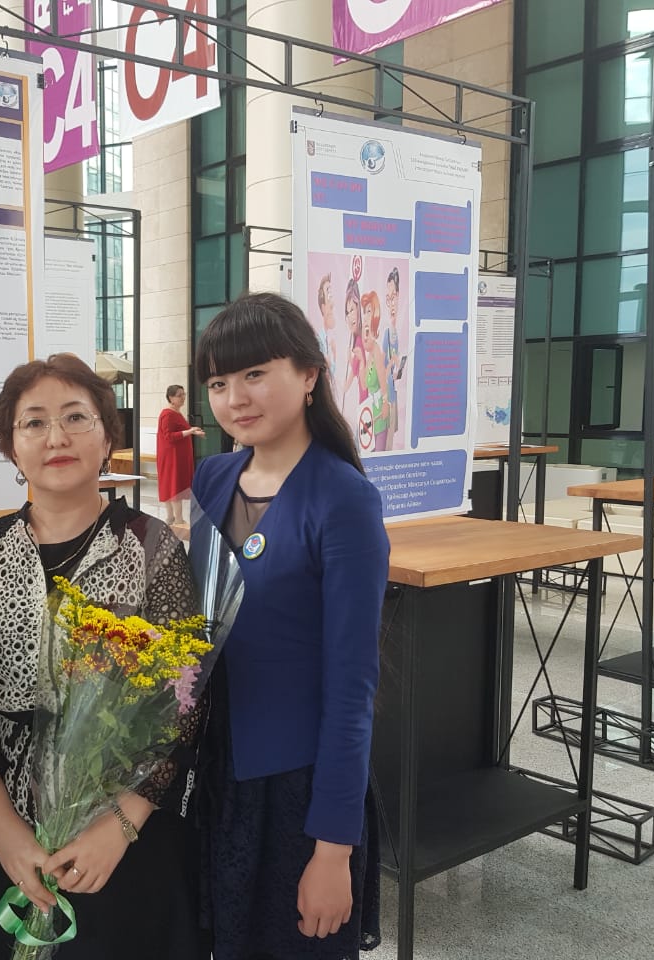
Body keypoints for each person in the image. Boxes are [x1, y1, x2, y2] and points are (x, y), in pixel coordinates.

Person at [0, 353, 205, 959]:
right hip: (5, 840)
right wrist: (4, 830)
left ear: (107, 435)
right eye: (34, 422)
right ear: (11, 447)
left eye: (75, 417)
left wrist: (122, 823)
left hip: (122, 845)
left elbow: (187, 702)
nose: (56, 437)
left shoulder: (151, 545)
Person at [191, 292, 388, 960]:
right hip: (215, 773)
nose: (235, 398)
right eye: (219, 382)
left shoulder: (344, 499)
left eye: (254, 374)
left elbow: (352, 690)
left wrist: (333, 851)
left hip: (295, 790)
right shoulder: (214, 478)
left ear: (309, 375)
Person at [156, 384, 203, 526]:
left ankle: (171, 518)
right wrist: (190, 431)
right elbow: (169, 436)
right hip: (172, 457)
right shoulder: (168, 414)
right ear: (171, 398)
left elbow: (182, 430)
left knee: (172, 484)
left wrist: (194, 431)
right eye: (179, 395)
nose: (183, 398)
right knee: (173, 486)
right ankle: (177, 519)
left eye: (184, 394)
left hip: (177, 455)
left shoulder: (176, 412)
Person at [360, 291, 391, 452]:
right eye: (364, 311)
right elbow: (364, 385)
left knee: (378, 455)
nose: (366, 316)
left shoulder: (377, 351)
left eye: (369, 311)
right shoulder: (370, 353)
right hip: (370, 414)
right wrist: (361, 359)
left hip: (379, 412)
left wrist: (385, 404)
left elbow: (383, 382)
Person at [382, 268, 404, 447]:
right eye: (388, 298)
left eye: (394, 296)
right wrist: (391, 364)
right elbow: (382, 370)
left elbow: (393, 372)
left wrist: (396, 370)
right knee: (387, 443)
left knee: (391, 441)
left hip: (394, 395)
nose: (391, 303)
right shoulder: (386, 334)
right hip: (387, 399)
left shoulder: (396, 332)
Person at [340, 280, 367, 413]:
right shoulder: (357, 340)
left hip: (365, 398)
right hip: (362, 397)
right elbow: (356, 370)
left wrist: (343, 388)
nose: (350, 316)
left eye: (352, 309)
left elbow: (354, 375)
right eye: (347, 312)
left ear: (359, 308)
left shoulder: (361, 341)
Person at [315, 272, 338, 365]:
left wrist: (334, 353)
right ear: (323, 307)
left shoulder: (327, 338)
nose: (332, 304)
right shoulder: (319, 340)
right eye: (329, 296)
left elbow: (332, 370)